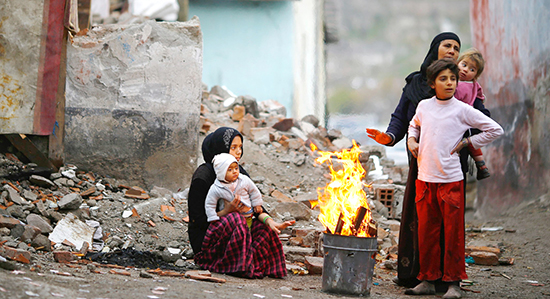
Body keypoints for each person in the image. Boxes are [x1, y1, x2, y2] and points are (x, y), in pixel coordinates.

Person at [365, 32, 491, 288]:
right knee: (420, 219)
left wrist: (468, 134)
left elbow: (482, 121)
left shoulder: (462, 90)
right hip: (420, 164)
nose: (453, 51)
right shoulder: (415, 84)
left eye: (457, 48)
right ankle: (418, 275)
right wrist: (390, 137)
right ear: (436, 48)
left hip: (452, 165)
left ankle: (449, 279)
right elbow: (402, 118)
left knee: (450, 221)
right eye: (447, 45)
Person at [405, 58, 503, 298]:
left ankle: (453, 283)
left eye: (453, 79)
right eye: (443, 79)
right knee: (427, 231)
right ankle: (427, 280)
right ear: (432, 83)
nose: (449, 83)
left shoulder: (462, 109)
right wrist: (411, 140)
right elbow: (413, 125)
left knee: (453, 234)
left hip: (450, 180)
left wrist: (469, 142)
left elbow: (495, 129)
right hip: (425, 179)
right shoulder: (424, 107)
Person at [187, 127, 295, 278]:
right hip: (207, 242)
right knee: (236, 218)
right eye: (233, 147)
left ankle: (253, 265)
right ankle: (234, 264)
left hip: (235, 236)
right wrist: (227, 212)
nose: (238, 152)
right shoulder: (203, 177)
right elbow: (198, 220)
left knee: (263, 228)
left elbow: (254, 205)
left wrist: (270, 221)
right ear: (221, 148)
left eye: (240, 147)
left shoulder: (238, 173)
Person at [455, 48, 490, 180]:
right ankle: (481, 166)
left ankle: (481, 166)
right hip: (459, 121)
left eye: (471, 69)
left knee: (470, 142)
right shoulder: (451, 79)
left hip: (466, 120)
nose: (465, 70)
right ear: (457, 63)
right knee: (471, 143)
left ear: (475, 75)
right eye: (464, 65)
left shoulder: (472, 85)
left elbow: (480, 98)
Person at [205, 153, 263, 229]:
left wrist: (257, 204)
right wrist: (212, 216)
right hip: (229, 218)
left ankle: (246, 239)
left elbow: (254, 191)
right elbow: (210, 203)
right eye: (230, 170)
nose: (235, 171)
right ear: (221, 172)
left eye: (236, 168)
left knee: (246, 231)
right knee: (234, 232)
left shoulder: (244, 180)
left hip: (246, 214)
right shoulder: (217, 187)